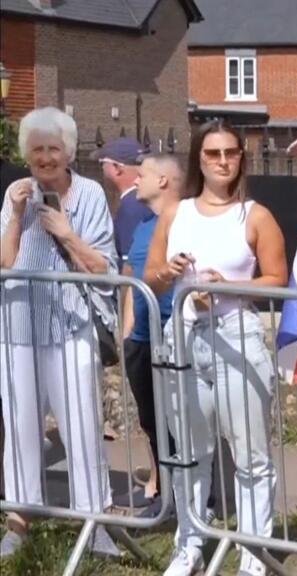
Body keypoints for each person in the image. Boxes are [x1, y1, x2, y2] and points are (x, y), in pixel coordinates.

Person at [144, 120, 287, 576]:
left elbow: (278, 281)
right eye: (213, 154)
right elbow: (150, 275)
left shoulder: (255, 215)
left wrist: (231, 286)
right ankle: (189, 544)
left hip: (235, 335)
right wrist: (170, 273)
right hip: (184, 339)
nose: (223, 162)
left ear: (241, 158)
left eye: (230, 153)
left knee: (250, 455)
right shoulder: (176, 213)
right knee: (189, 451)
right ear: (198, 159)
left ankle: (252, 554)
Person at [0, 106, 121, 558]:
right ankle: (19, 522)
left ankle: (96, 523)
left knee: (81, 424)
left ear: (68, 152)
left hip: (70, 325)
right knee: (21, 427)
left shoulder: (89, 193)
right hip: (17, 327)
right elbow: (5, 263)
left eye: (53, 149)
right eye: (37, 150)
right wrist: (15, 216)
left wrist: (66, 233)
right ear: (26, 155)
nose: (45, 158)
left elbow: (103, 266)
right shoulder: (16, 193)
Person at [119, 153, 184, 518]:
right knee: (152, 420)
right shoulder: (143, 224)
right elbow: (130, 273)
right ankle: (167, 496)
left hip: (176, 335)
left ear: (162, 181)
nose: (134, 180)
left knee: (181, 418)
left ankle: (193, 497)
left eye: (141, 174)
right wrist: (129, 330)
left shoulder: (187, 219)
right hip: (143, 339)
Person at [97, 137, 151, 268]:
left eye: (102, 163)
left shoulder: (131, 207)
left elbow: (130, 263)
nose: (102, 169)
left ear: (117, 168)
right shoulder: (145, 200)